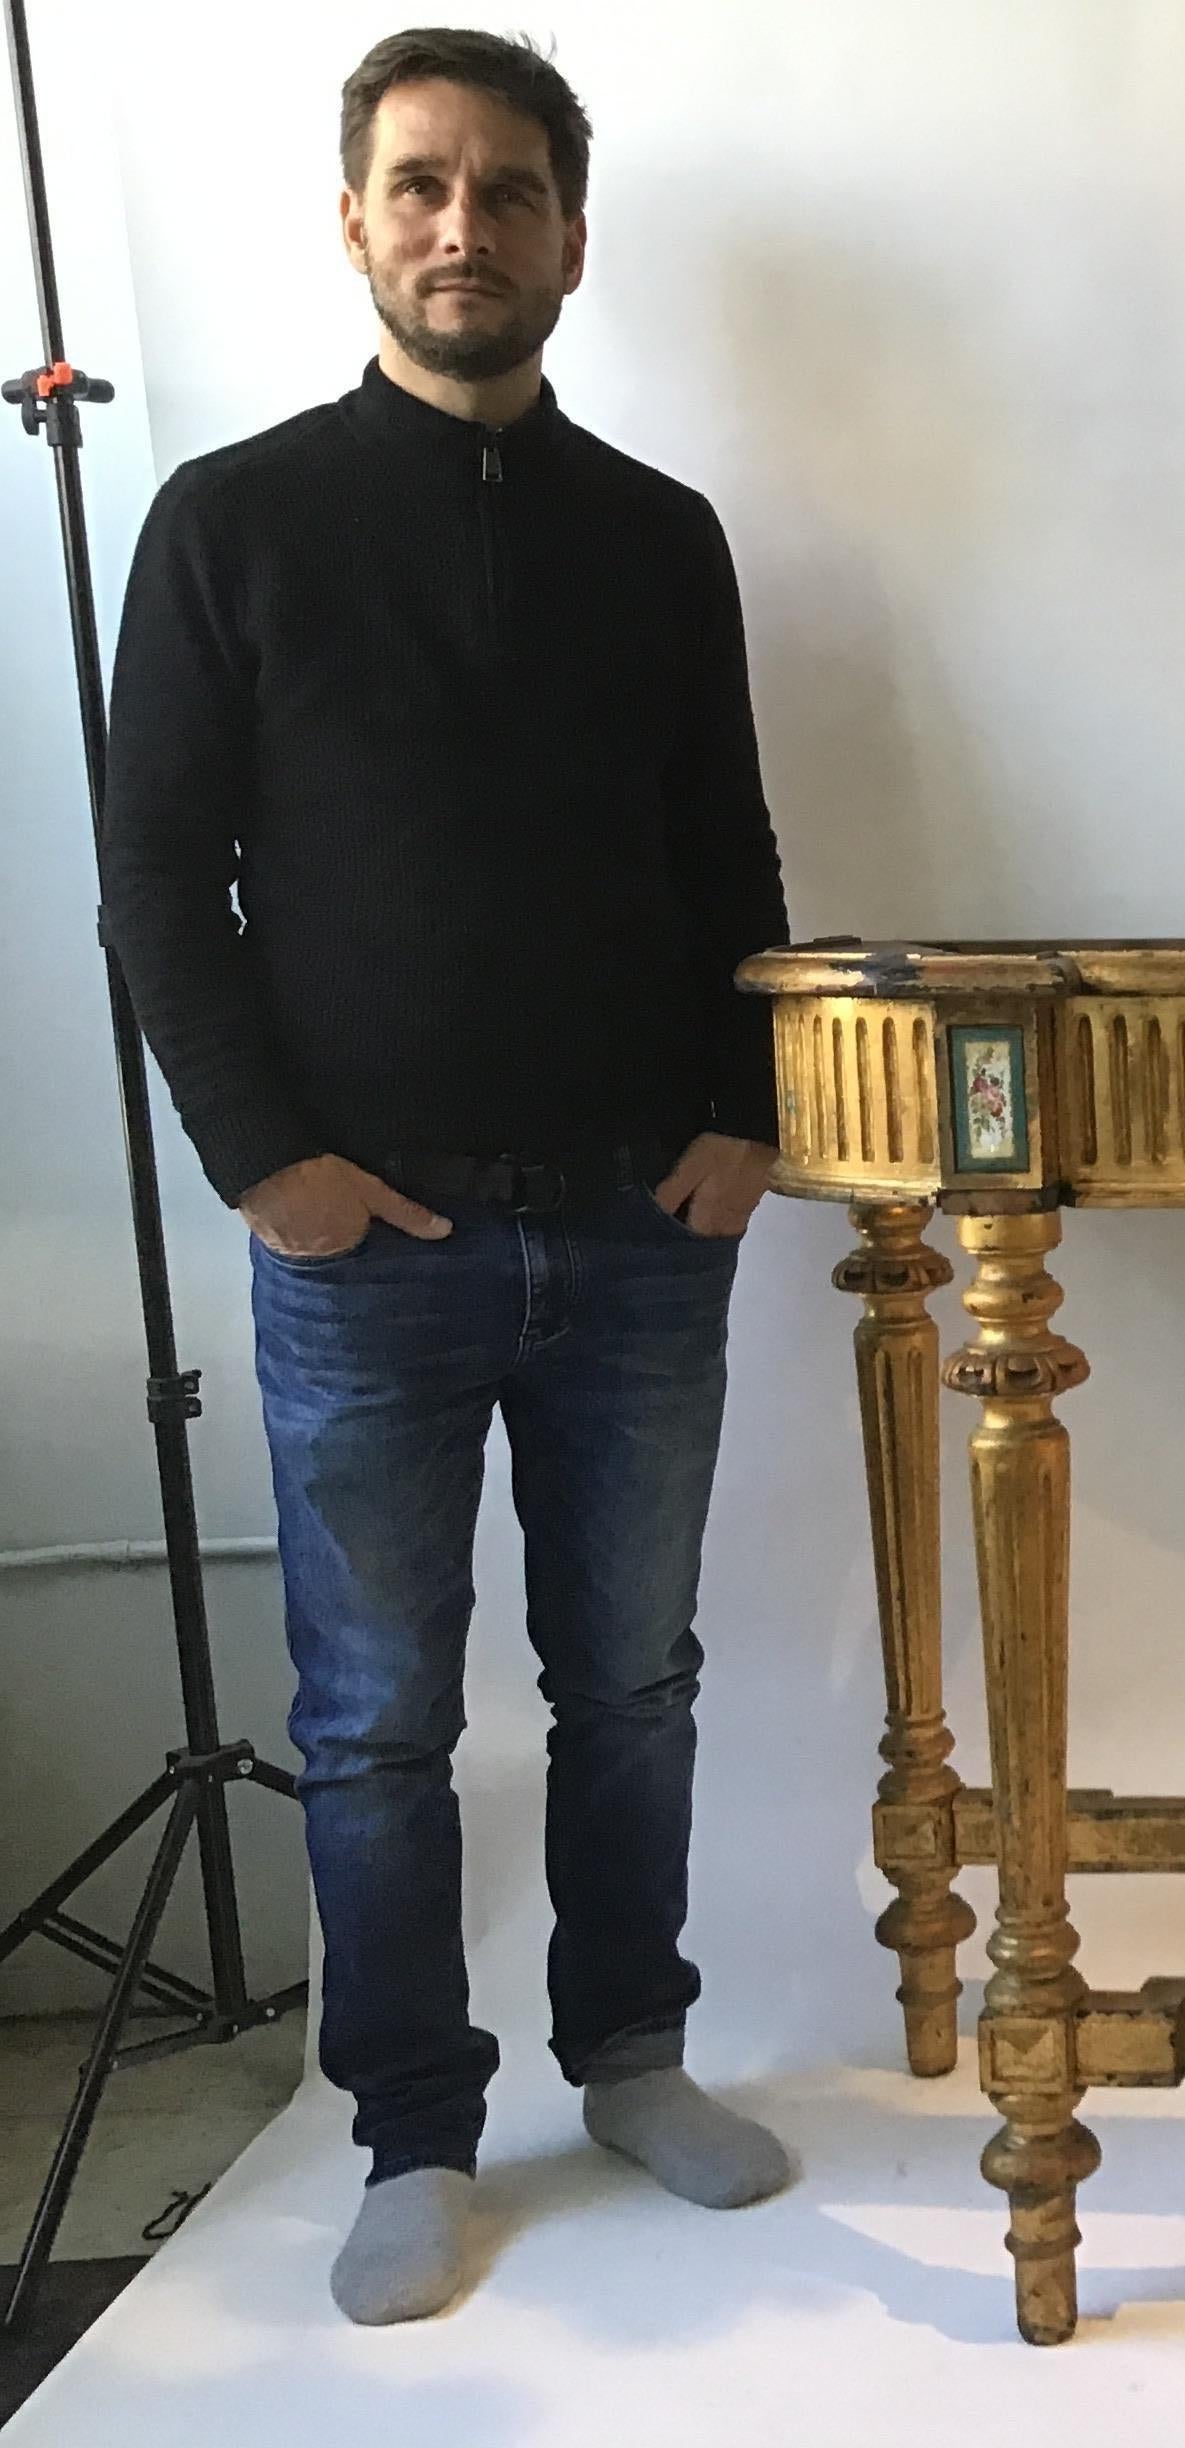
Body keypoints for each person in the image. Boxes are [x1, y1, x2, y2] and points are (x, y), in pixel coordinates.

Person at [98, 28, 796, 2325]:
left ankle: (633, 2051)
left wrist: (742, 1111)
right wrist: (266, 1162)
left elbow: (734, 858)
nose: (463, 226)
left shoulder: (662, 538)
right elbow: (153, 887)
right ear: (355, 222)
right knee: (377, 1717)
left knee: (635, 1682)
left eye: (509, 189)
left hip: (634, 1226)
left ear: (573, 236)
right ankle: (412, 2120)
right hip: (364, 1245)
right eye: (420, 185)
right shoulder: (229, 521)